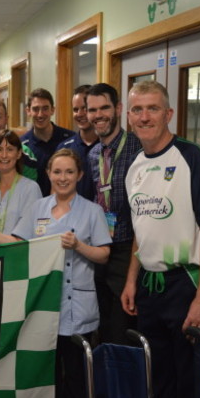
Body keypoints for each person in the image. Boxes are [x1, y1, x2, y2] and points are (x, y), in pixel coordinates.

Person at [0, 149, 111, 398]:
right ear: (48, 174)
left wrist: (79, 245)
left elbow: (104, 255)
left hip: (76, 309)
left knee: (76, 378)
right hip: (42, 305)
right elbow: (18, 244)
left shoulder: (92, 211)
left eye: (69, 172)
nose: (63, 177)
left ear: (79, 175)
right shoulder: (38, 208)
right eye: (57, 172)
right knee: (44, 378)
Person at [121, 80, 200, 398]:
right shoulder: (134, 166)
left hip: (187, 284)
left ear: (169, 114)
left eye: (152, 108)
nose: (144, 116)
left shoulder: (192, 157)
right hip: (150, 288)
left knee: (189, 381)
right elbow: (142, 227)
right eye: (137, 109)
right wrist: (131, 280)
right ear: (129, 116)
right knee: (158, 375)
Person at [86, 82, 142, 346]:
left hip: (126, 249)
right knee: (100, 325)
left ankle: (122, 384)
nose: (98, 115)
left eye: (104, 108)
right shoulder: (92, 154)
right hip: (97, 250)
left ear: (118, 109)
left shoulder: (138, 148)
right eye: (92, 110)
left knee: (122, 328)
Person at [0, 130, 41, 249]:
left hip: (17, 258)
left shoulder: (30, 189)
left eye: (10, 149)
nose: (4, 155)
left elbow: (23, 239)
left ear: (19, 153)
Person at [20, 88, 76, 196]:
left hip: (67, 206)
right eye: (36, 109)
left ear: (52, 110)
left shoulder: (70, 140)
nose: (40, 114)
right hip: (33, 207)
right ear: (28, 111)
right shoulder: (21, 146)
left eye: (45, 108)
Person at [56, 85, 98, 199]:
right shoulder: (64, 148)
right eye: (75, 109)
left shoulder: (106, 146)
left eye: (84, 108)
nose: (80, 114)